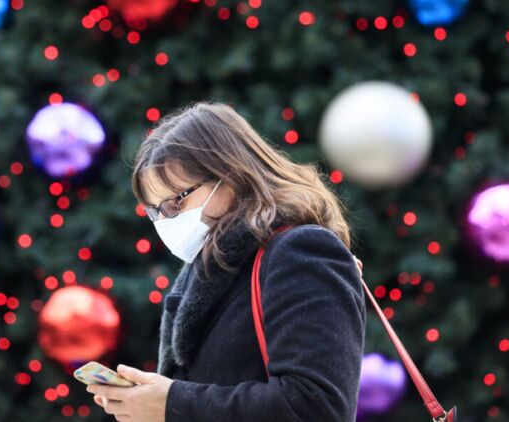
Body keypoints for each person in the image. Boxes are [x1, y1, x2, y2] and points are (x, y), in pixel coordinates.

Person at [85, 101, 366, 422]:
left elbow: (317, 407)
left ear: (229, 175)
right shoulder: (204, 268)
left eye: (175, 203)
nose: (166, 221)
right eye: (156, 211)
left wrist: (173, 403)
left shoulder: (301, 250)